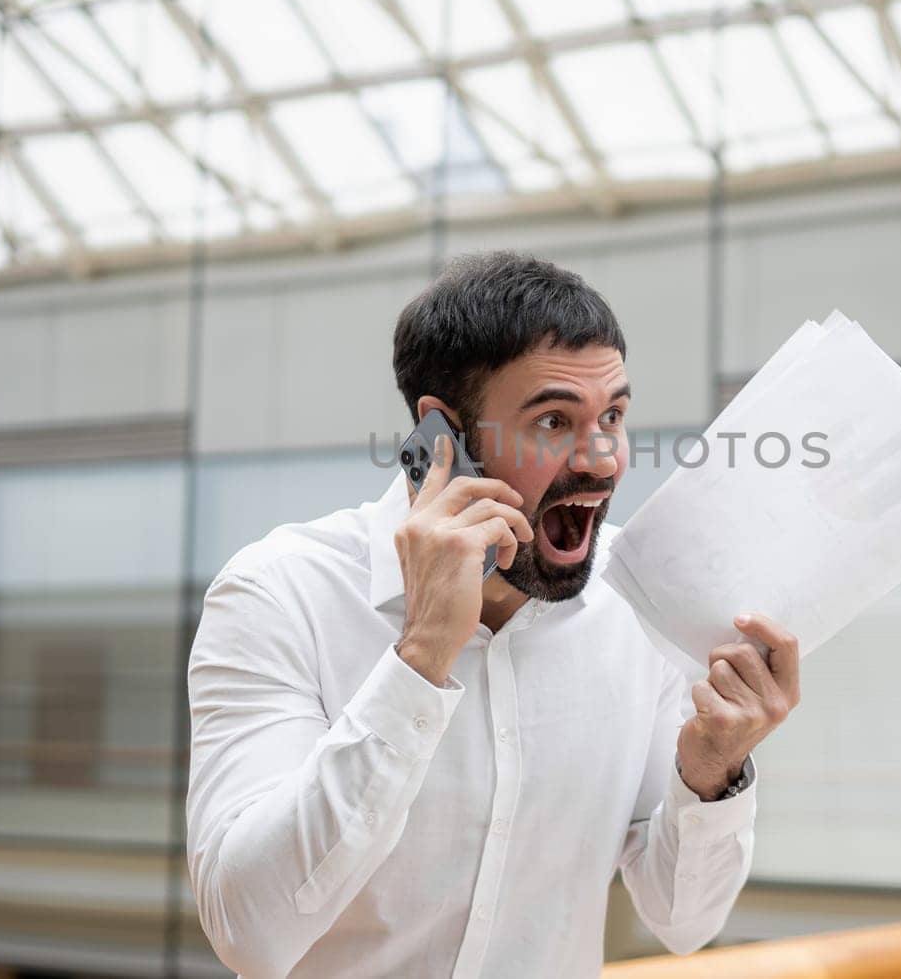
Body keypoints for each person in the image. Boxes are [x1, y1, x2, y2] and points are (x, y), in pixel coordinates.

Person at [185, 251, 802, 978]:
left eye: (614, 414)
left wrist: (711, 771)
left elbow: (683, 918)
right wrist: (418, 660)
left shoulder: (639, 603)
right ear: (442, 437)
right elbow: (248, 931)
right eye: (553, 419)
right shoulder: (278, 593)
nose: (603, 458)